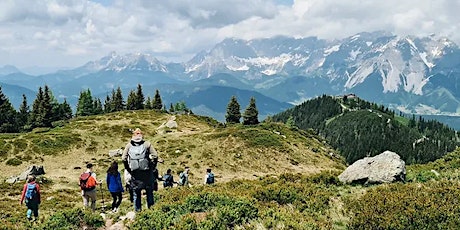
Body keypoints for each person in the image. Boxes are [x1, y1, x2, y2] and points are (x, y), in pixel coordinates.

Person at [122, 128, 160, 212]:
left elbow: (123, 158)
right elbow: (155, 156)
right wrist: (152, 167)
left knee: (136, 194)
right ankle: (151, 211)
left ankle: (138, 213)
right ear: (141, 135)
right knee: (149, 193)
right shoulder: (147, 144)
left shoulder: (129, 145)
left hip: (135, 175)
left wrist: (129, 170)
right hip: (147, 174)